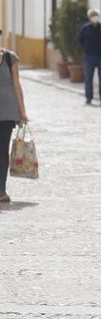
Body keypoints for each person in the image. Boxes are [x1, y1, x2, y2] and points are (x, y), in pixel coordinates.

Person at [0, 46, 30, 203]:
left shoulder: (10, 58)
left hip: (6, 114)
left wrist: (22, 112)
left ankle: (1, 191)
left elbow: (17, 85)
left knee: (2, 151)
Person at [77, 9, 101, 106]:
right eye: (92, 15)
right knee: (88, 78)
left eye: (96, 15)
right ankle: (88, 98)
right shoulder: (85, 29)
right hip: (89, 56)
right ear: (89, 17)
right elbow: (80, 40)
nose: (95, 17)